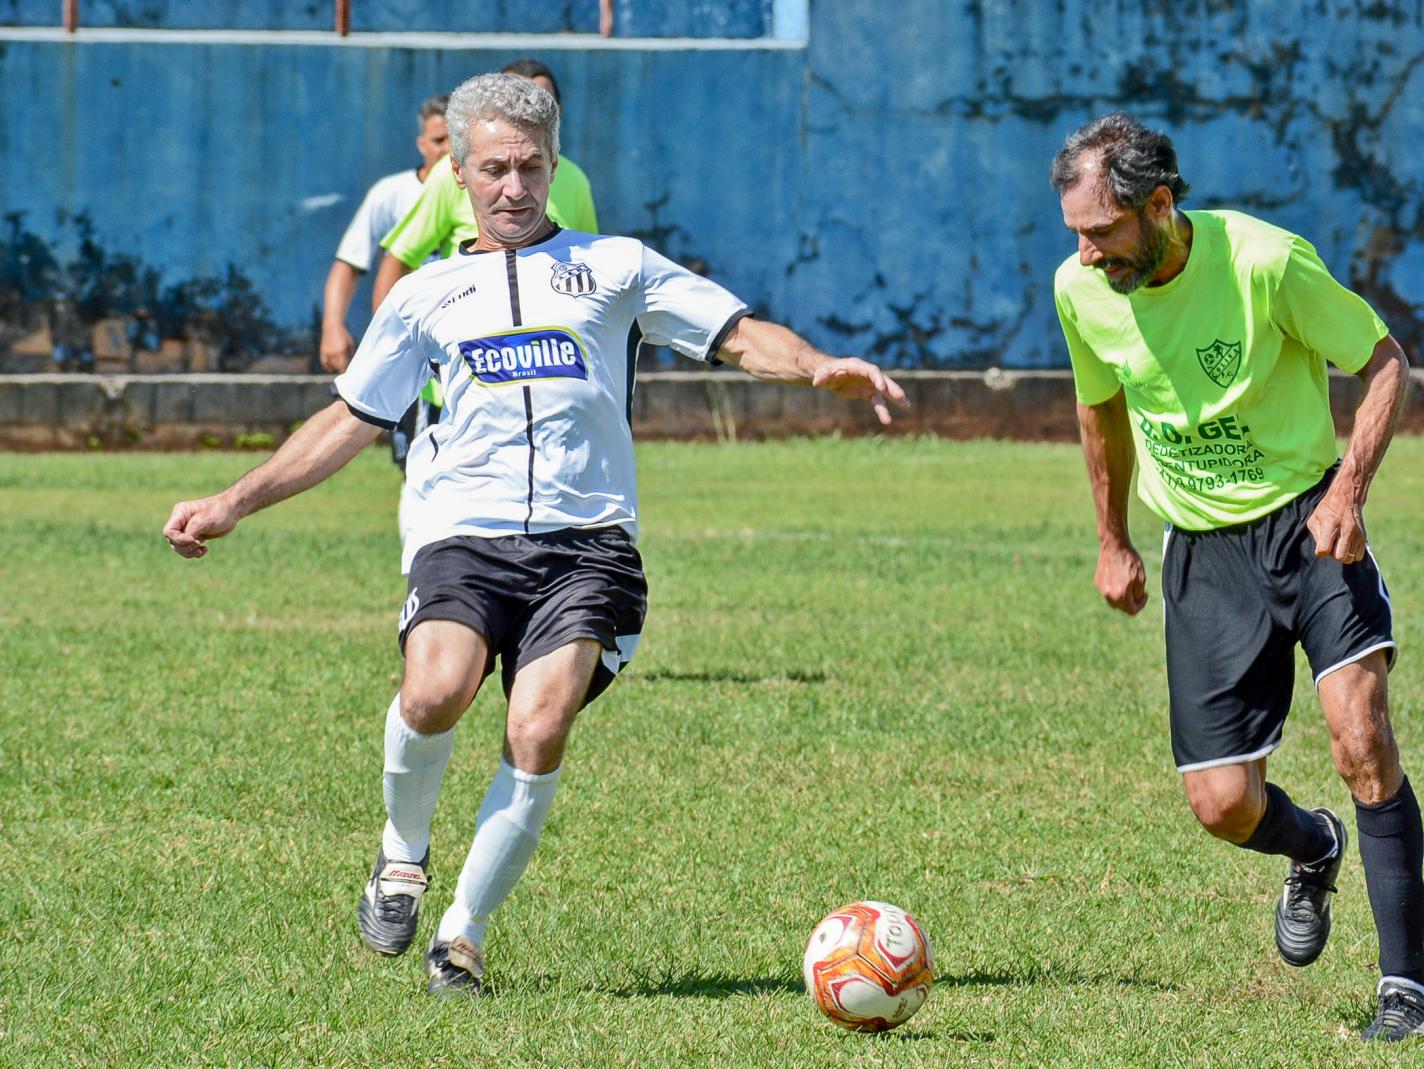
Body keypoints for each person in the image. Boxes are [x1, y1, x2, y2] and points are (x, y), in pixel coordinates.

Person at [162, 72, 908, 999]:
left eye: (529, 168)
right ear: (458, 175)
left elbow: (737, 332)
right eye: (492, 170)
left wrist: (820, 368)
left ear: (554, 166)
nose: (513, 188)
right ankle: (401, 854)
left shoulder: (617, 266)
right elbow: (352, 418)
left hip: (587, 543)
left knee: (538, 723)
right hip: (462, 536)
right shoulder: (424, 296)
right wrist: (235, 498)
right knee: (433, 694)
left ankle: (461, 937)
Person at [1049, 113, 1424, 1042]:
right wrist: (1111, 536)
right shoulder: (1080, 290)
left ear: (1160, 206)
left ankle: (1406, 990)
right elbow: (1099, 411)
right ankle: (1315, 846)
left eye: (1103, 231)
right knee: (1221, 805)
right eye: (1075, 235)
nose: (1087, 253)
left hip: (1311, 525)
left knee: (1362, 738)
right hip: (1204, 556)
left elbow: (1386, 360)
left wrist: (1350, 486)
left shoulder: (1265, 260)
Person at [370, 58, 598, 312]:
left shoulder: (577, 179)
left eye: (541, 103)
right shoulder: (451, 171)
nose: (516, 189)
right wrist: (392, 336)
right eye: (494, 171)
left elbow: (587, 258)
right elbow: (400, 258)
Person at [320, 94, 452, 375]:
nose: (449, 149)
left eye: (456, 138)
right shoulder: (391, 193)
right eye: (439, 140)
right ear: (421, 144)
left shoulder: (481, 193)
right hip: (405, 345)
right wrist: (332, 327)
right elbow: (349, 263)